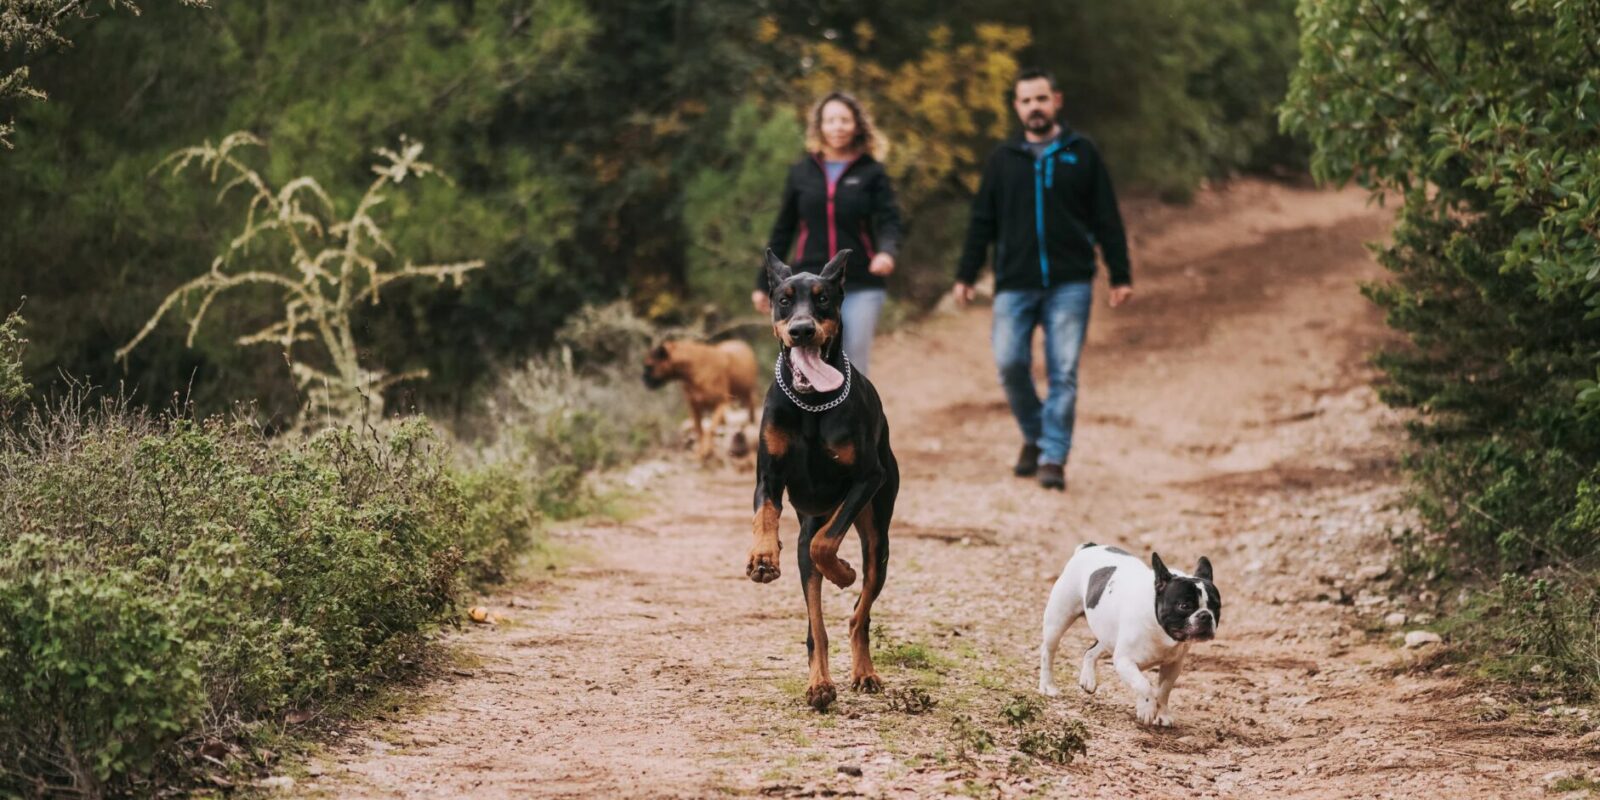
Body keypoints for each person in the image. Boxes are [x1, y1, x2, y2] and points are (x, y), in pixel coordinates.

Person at [951, 68, 1134, 492]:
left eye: (1041, 98)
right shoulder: (1002, 159)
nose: (1034, 107)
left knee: (1062, 371)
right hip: (1014, 281)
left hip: (1070, 282)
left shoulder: (1081, 152)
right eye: (1026, 100)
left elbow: (1106, 217)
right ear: (1017, 107)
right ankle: (1035, 435)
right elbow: (982, 221)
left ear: (1056, 101)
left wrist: (1120, 273)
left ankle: (1053, 456)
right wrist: (966, 273)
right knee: (1009, 363)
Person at [758, 91, 904, 377]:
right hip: (807, 283)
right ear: (820, 126)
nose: (838, 127)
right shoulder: (801, 173)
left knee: (852, 360)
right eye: (831, 120)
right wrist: (762, 284)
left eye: (845, 120)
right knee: (803, 355)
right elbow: (783, 228)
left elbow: (890, 220)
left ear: (857, 125)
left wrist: (887, 252)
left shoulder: (872, 172)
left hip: (861, 281)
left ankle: (852, 407)